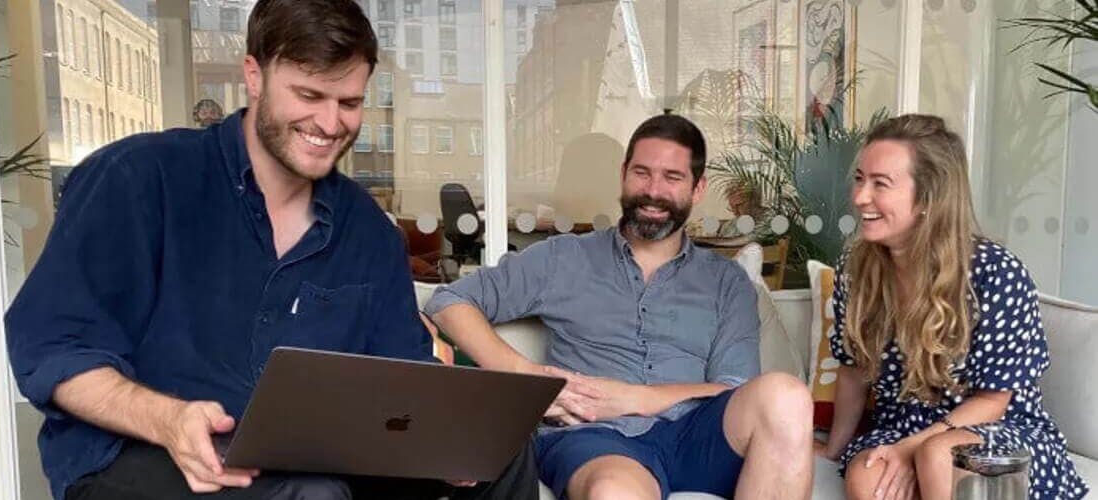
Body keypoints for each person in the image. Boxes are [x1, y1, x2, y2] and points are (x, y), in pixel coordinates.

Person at [5, 1, 536, 499]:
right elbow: (54, 346)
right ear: (254, 75)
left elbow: (400, 373)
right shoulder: (138, 180)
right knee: (311, 493)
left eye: (349, 102)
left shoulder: (368, 231)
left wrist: (441, 436)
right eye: (309, 96)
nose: (330, 125)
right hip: (140, 450)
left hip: (317, 457)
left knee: (501, 453)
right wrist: (165, 418)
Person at [425, 114, 814, 500]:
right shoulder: (563, 258)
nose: (653, 190)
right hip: (597, 438)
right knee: (614, 493)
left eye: (672, 178)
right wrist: (531, 378)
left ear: (698, 189)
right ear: (623, 174)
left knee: (787, 396)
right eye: (642, 173)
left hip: (697, 434)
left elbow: (734, 388)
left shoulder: (726, 282)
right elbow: (450, 300)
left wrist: (636, 398)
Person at [821, 114, 1089, 500]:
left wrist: (915, 448)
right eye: (860, 178)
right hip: (903, 427)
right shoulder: (855, 268)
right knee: (867, 477)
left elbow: (994, 401)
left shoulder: (995, 274)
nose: (860, 196)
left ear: (929, 197)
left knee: (941, 456)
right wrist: (834, 449)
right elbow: (854, 369)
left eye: (880, 184)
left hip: (998, 432)